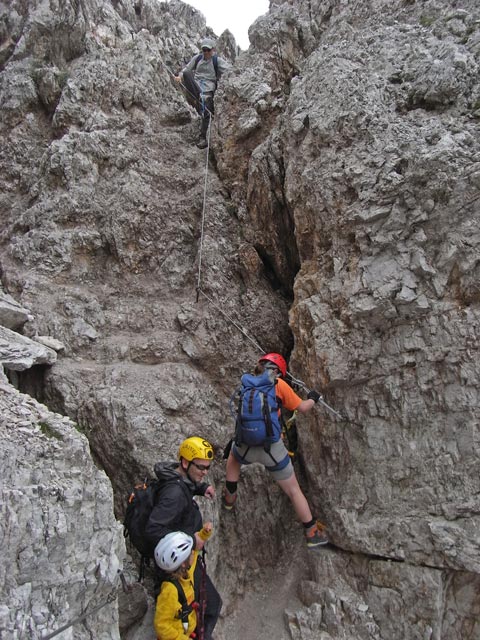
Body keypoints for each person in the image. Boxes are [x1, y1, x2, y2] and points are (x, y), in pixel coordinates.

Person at [222, 353, 330, 548]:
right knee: (293, 490)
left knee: (233, 458)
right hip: (271, 449)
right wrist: (313, 397)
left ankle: (229, 497)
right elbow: (303, 408)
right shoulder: (278, 385)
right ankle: (312, 532)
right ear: (279, 372)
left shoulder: (247, 382)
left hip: (245, 445)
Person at [145, 436, 222, 640]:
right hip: (180, 564)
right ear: (185, 462)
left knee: (207, 606)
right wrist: (191, 541)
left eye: (207, 468)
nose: (205, 472)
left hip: (187, 558)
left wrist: (201, 487)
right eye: (201, 467)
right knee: (211, 606)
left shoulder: (176, 477)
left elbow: (184, 483)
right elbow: (153, 529)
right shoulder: (173, 495)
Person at [153, 525, 213, 640]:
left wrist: (203, 535)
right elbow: (161, 626)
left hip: (188, 630)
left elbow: (195, 554)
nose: (193, 553)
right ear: (183, 563)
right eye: (190, 552)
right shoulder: (170, 591)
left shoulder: (186, 572)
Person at [174, 37, 230, 148]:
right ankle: (198, 97)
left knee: (207, 112)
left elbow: (230, 70)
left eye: (208, 50)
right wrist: (179, 77)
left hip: (208, 90)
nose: (206, 53)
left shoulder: (216, 61)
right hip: (196, 87)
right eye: (204, 50)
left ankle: (203, 137)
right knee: (186, 74)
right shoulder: (197, 58)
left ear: (213, 50)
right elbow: (187, 69)